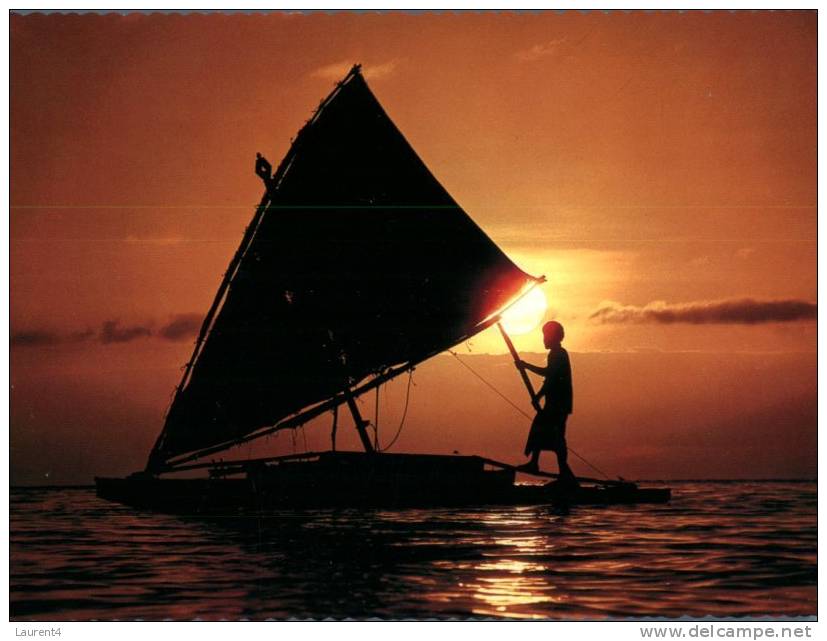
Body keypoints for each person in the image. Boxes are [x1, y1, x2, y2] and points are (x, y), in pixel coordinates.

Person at [517, 321, 578, 485]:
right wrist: (538, 396)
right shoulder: (556, 354)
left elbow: (550, 375)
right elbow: (549, 379)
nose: (544, 339)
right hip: (556, 403)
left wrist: (526, 366)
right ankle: (540, 465)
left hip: (559, 404)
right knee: (543, 429)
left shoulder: (558, 354)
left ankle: (562, 472)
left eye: (545, 336)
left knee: (554, 435)